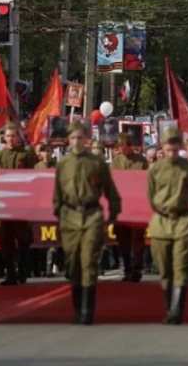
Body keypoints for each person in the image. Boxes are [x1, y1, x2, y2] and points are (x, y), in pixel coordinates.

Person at [53, 121, 121, 325]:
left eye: (80, 138)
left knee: (89, 262)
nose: (76, 142)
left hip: (91, 215)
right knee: (73, 265)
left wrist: (114, 214)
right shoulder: (63, 164)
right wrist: (59, 213)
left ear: (86, 139)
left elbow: (110, 190)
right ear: (68, 140)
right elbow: (57, 193)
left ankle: (87, 310)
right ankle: (76, 307)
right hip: (70, 216)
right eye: (73, 138)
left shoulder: (97, 163)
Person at [148, 128, 188, 325]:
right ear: (163, 147)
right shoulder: (155, 169)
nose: (171, 149)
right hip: (161, 222)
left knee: (180, 267)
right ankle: (168, 306)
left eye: (174, 145)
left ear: (178, 146)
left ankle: (176, 310)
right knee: (165, 269)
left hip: (182, 221)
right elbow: (150, 195)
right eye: (168, 145)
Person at [0, 124, 36, 285]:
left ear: (18, 137)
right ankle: (10, 273)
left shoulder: (26, 154)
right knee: (5, 239)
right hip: (5, 204)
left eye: (14, 136)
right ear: (4, 138)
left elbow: (33, 175)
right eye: (8, 136)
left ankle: (23, 272)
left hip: (22, 203)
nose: (11, 139)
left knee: (23, 239)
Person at [110, 132, 148, 282]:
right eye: (120, 147)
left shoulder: (141, 161)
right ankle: (127, 268)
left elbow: (147, 181)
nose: (123, 149)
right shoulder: (116, 162)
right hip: (121, 207)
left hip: (137, 205)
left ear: (131, 146)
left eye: (125, 146)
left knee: (138, 239)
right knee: (123, 240)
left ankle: (137, 269)